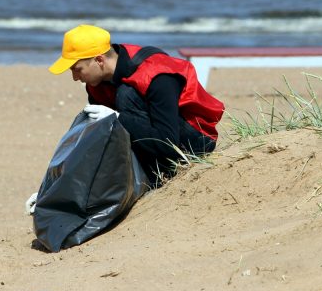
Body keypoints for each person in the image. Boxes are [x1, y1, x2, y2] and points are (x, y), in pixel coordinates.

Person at [48, 24, 225, 185]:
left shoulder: (157, 76)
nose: (75, 78)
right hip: (154, 139)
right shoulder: (97, 84)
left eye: (77, 69)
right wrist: (57, 188)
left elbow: (168, 144)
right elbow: (100, 138)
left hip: (193, 142)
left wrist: (117, 118)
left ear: (99, 60)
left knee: (126, 95)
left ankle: (156, 179)